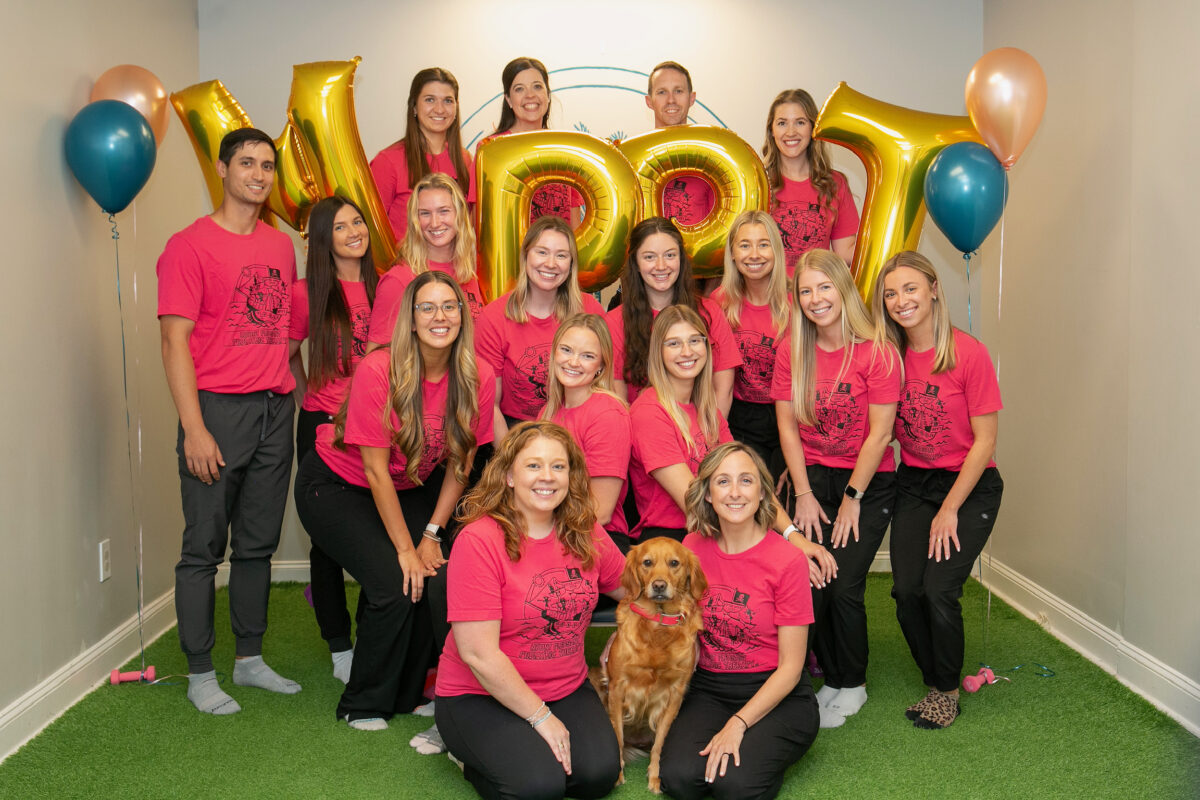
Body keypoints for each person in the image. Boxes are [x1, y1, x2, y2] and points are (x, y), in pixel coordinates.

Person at [293, 272, 495, 731]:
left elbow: (460, 466)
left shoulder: (477, 375)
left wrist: (431, 536)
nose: (440, 316)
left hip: (408, 485)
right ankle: (362, 703)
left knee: (432, 575)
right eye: (428, 307)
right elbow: (374, 470)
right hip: (336, 484)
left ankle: (407, 693)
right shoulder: (380, 369)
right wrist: (406, 549)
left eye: (449, 306)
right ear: (411, 318)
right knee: (396, 580)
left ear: (462, 316)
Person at [157, 127, 301, 714]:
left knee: (257, 545)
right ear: (222, 169)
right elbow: (174, 342)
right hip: (216, 411)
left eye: (267, 165)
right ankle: (199, 672)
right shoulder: (188, 246)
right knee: (203, 548)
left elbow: (285, 332)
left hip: (274, 410)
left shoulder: (281, 246)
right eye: (246, 163)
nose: (258, 174)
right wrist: (194, 428)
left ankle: (249, 659)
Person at [435, 421, 624, 800]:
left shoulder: (584, 529)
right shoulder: (479, 540)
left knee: (598, 776)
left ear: (571, 476)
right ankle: (468, 759)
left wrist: (625, 631)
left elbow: (634, 592)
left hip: (565, 687)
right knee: (540, 787)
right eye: (533, 465)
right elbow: (478, 654)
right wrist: (542, 718)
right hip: (480, 694)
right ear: (508, 475)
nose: (547, 476)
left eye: (558, 466)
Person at [873, 250, 1003, 730]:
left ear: (932, 289)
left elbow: (985, 441)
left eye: (910, 288)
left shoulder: (968, 352)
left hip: (969, 484)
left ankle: (946, 692)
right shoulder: (888, 358)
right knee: (906, 591)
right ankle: (935, 678)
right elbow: (876, 428)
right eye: (891, 294)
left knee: (938, 589)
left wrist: (949, 509)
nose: (901, 300)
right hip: (914, 483)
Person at [773, 249, 900, 729]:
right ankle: (830, 677)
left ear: (843, 290)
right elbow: (787, 427)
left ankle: (854, 683)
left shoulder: (878, 351)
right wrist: (803, 494)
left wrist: (853, 499)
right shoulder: (792, 350)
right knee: (813, 576)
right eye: (805, 291)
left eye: (824, 287)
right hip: (812, 478)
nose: (815, 298)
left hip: (867, 483)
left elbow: (880, 434)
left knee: (844, 582)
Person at [659, 443, 819, 800]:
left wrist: (738, 723)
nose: (734, 492)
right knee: (680, 779)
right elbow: (676, 616)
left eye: (746, 481)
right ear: (708, 493)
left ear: (762, 492)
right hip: (710, 688)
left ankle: (759, 757)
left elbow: (791, 668)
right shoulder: (692, 547)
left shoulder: (787, 560)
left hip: (778, 691)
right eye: (723, 481)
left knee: (734, 786)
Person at [288, 195, 378, 682]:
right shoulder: (307, 293)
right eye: (340, 226)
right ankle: (339, 645)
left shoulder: (386, 288)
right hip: (323, 426)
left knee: (377, 533)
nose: (353, 232)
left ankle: (371, 634)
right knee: (326, 542)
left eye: (357, 221)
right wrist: (312, 397)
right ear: (324, 238)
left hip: (376, 429)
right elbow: (288, 354)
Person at [475, 216, 603, 427]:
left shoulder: (590, 310)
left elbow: (603, 385)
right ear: (525, 255)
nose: (550, 264)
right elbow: (491, 406)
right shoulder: (493, 318)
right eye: (542, 252)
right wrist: (511, 449)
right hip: (516, 430)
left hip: (577, 426)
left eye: (561, 255)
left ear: (571, 264)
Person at [609, 217, 740, 415]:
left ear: (681, 259)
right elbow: (618, 402)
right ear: (635, 262)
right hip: (641, 429)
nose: (661, 266)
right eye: (649, 257)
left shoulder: (710, 313)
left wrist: (710, 432)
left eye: (670, 255)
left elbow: (723, 390)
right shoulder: (614, 322)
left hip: (702, 429)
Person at [628, 305, 732, 542]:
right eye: (674, 344)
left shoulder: (707, 410)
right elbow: (694, 505)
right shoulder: (649, 412)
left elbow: (744, 476)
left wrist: (791, 535)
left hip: (720, 526)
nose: (687, 351)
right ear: (659, 352)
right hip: (672, 541)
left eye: (694, 340)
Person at [541, 313, 632, 551]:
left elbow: (600, 511)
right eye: (566, 350)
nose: (573, 362)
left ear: (601, 366)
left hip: (594, 539)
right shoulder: (549, 411)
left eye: (587, 356)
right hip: (552, 530)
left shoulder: (608, 413)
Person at [367, 173, 483, 352]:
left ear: (460, 214)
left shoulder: (467, 273)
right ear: (415, 220)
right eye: (425, 214)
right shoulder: (399, 280)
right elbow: (375, 356)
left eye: (444, 211)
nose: (435, 223)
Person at [713, 211, 790, 478]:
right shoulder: (719, 302)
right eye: (745, 245)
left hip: (789, 415)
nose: (754, 255)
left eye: (763, 244)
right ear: (732, 253)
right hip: (740, 416)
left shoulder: (797, 301)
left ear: (776, 250)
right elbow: (717, 382)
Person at [371, 67, 476, 243]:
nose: (440, 109)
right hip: (405, 261)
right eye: (430, 100)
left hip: (455, 261)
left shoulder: (464, 159)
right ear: (414, 106)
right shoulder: (387, 161)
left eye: (448, 101)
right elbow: (371, 232)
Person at [479, 57, 584, 226]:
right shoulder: (492, 149)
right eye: (519, 89)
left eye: (537, 86)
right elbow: (481, 220)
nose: (530, 95)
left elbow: (574, 225)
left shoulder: (565, 149)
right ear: (508, 99)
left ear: (548, 95)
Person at [761, 89, 859, 270]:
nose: (791, 132)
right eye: (782, 123)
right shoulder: (758, 182)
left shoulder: (835, 184)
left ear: (813, 128)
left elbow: (845, 254)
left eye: (800, 122)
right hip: (768, 289)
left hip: (815, 287)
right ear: (771, 131)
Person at [645, 61, 714, 226]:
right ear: (649, 101)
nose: (671, 100)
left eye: (678, 91)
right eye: (662, 92)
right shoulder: (632, 159)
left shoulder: (711, 159)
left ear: (692, 98)